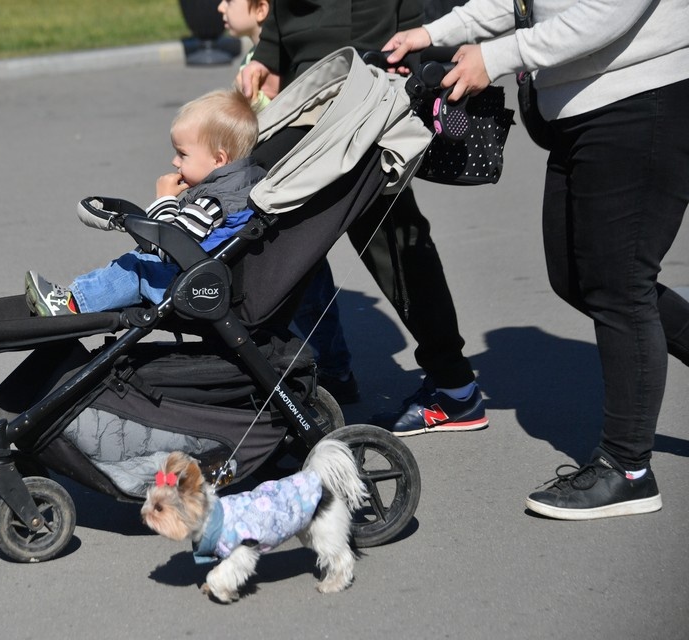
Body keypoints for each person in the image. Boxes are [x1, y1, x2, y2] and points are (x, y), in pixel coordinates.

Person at [383, 0, 689, 519]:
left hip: (641, 98)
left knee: (619, 285)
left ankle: (628, 469)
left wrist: (498, 56)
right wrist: (432, 34)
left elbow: (608, 10)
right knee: (576, 277)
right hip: (576, 107)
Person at [239, 0, 488, 429]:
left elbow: (407, 19)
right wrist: (267, 57)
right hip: (312, 100)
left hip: (361, 101)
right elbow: (285, 21)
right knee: (279, 238)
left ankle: (454, 388)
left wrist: (408, 56)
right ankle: (313, 374)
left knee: (393, 246)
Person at [26, 88, 265, 317]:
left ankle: (72, 304)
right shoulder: (243, 183)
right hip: (202, 275)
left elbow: (170, 245)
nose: (175, 162)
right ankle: (78, 296)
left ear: (219, 159)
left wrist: (165, 199)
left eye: (182, 154)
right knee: (139, 258)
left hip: (190, 286)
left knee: (136, 267)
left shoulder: (213, 202)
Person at [216, 0, 276, 111]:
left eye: (229, 1)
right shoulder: (251, 56)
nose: (220, 7)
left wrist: (256, 102)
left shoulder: (276, 62)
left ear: (260, 10)